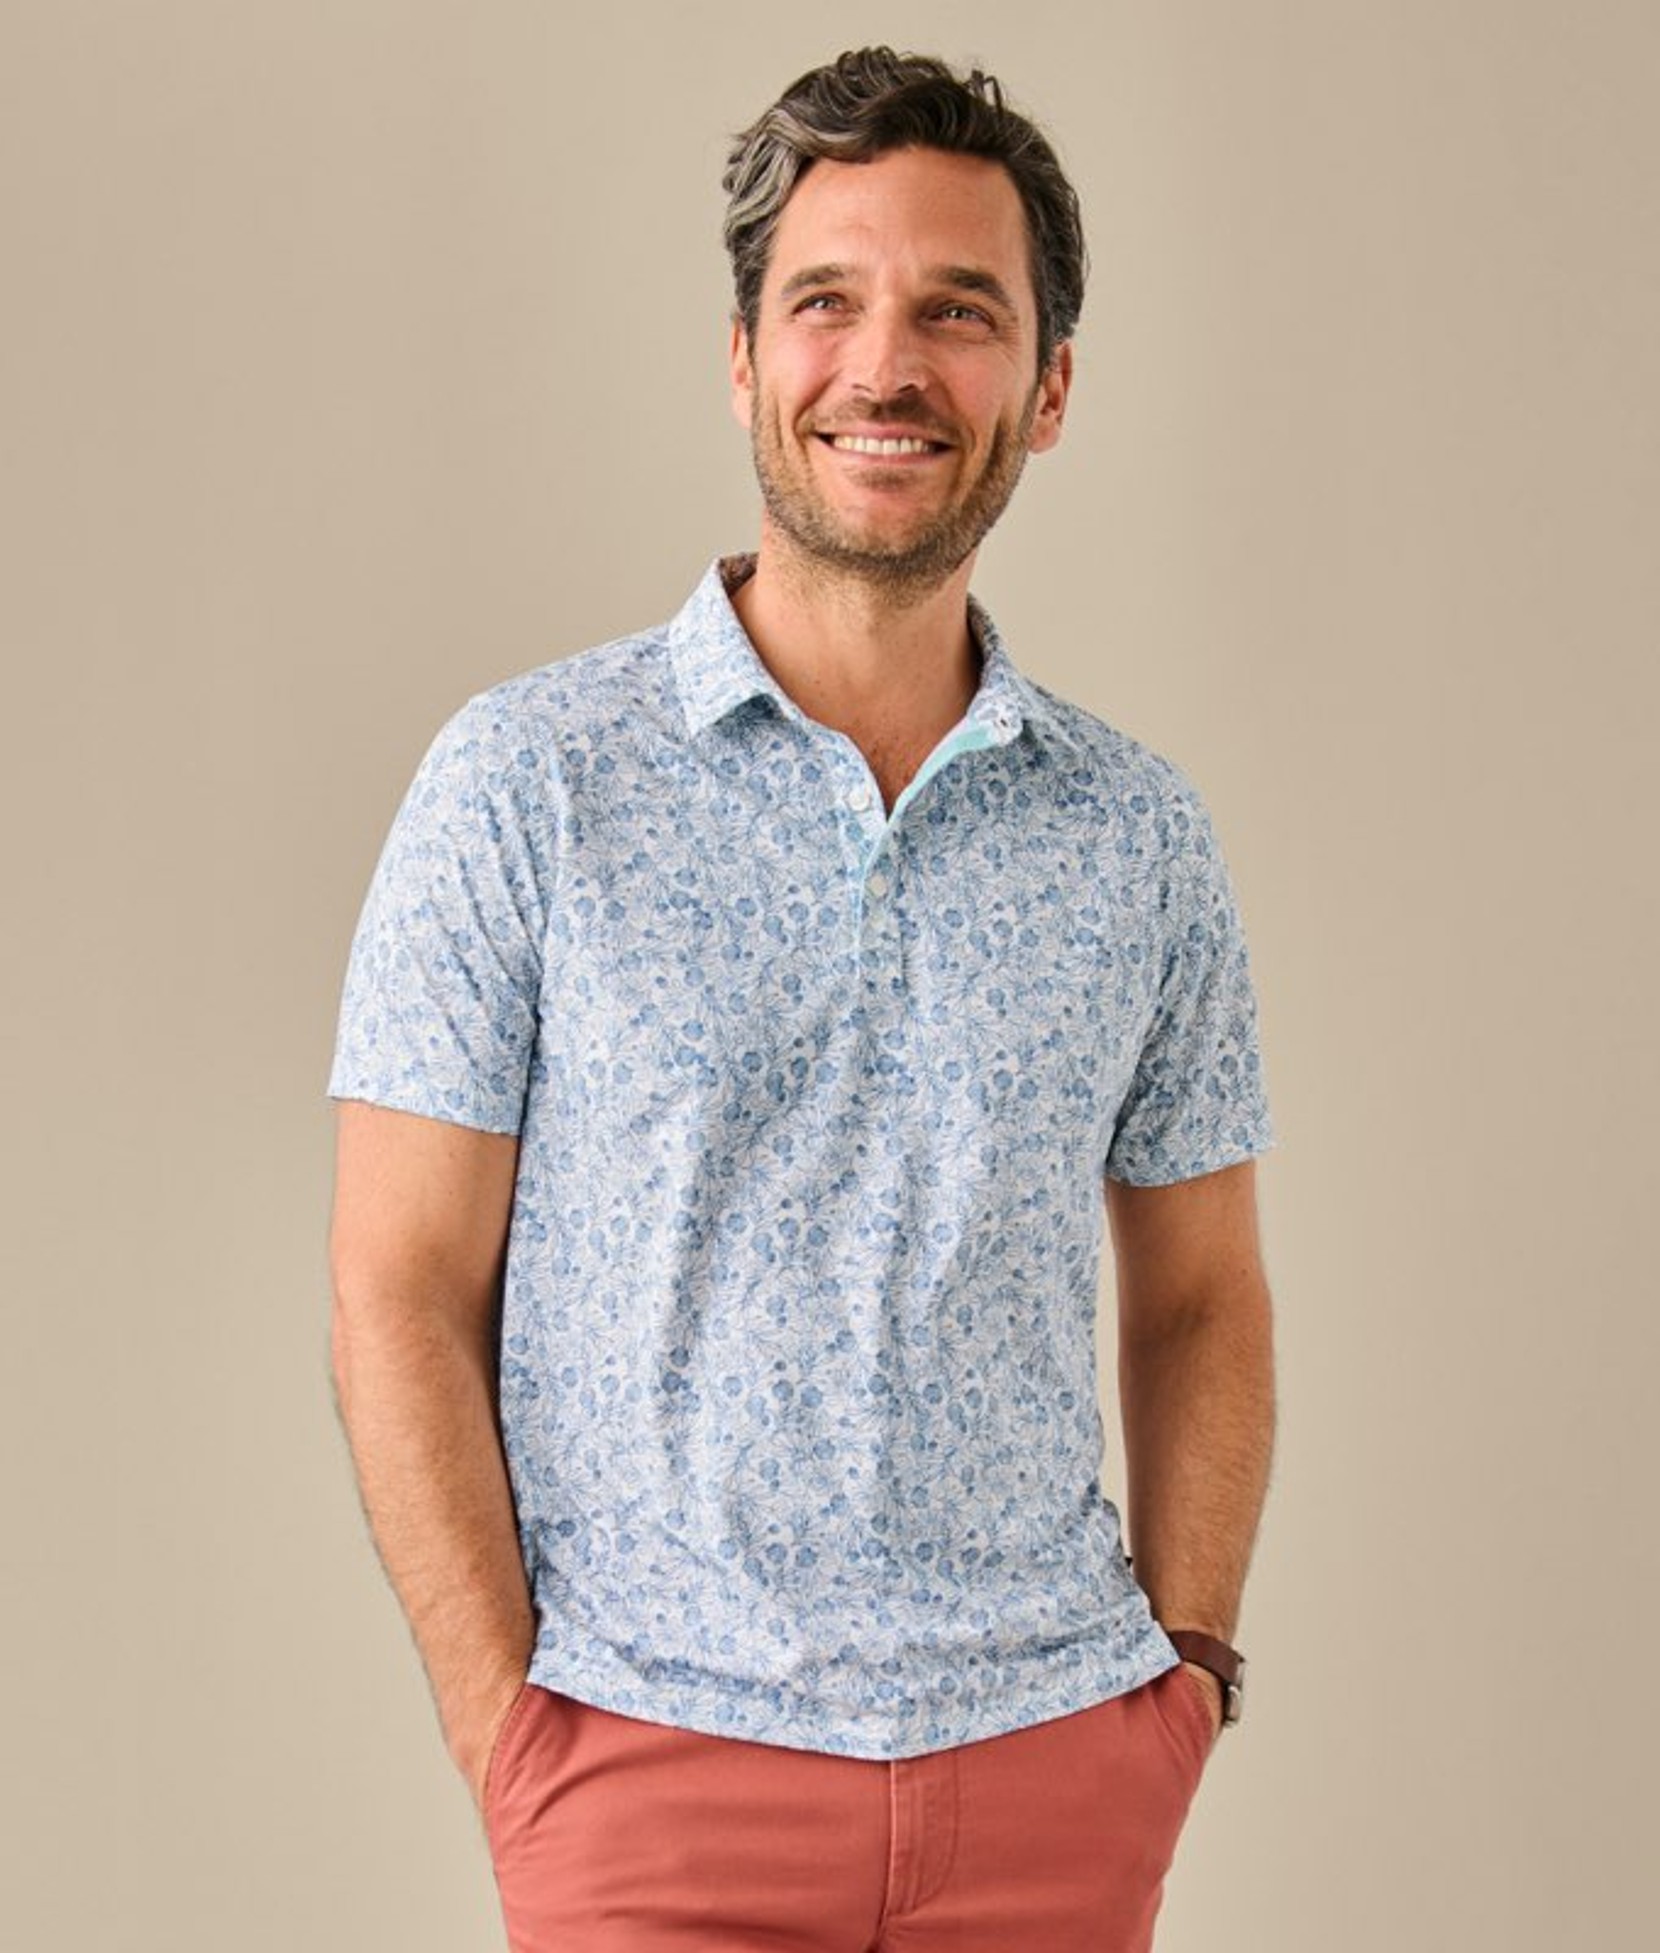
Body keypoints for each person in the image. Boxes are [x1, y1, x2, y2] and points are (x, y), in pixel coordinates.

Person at [328, 46, 1275, 1953]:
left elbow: (1202, 1291)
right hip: (648, 1777)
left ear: (1050, 385)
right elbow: (397, 1284)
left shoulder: (1139, 837)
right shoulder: (532, 783)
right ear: (744, 363)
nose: (886, 365)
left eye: (960, 311)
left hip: (1053, 1777)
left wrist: (1177, 1685)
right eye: (824, 300)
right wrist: (509, 1732)